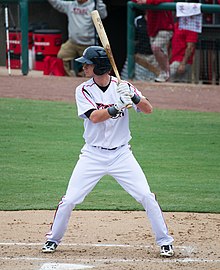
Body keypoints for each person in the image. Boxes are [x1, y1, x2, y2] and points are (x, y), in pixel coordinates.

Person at [41, 45, 174, 257]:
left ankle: (165, 242)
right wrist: (117, 106)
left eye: (88, 64)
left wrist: (134, 97)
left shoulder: (123, 86)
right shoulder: (83, 90)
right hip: (92, 155)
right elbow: (94, 117)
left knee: (146, 196)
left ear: (100, 67)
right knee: (70, 199)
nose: (84, 67)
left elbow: (149, 109)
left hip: (122, 155)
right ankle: (52, 240)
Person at [47, 0, 107, 76]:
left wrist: (99, 2)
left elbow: (103, 15)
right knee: (61, 56)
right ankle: (69, 77)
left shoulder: (94, 5)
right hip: (72, 42)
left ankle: (83, 77)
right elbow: (56, 3)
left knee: (91, 65)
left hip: (88, 44)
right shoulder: (70, 5)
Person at [132, 0, 174, 82]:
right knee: (159, 51)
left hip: (165, 27)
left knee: (156, 47)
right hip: (152, 28)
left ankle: (165, 72)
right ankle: (165, 74)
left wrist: (147, 1)